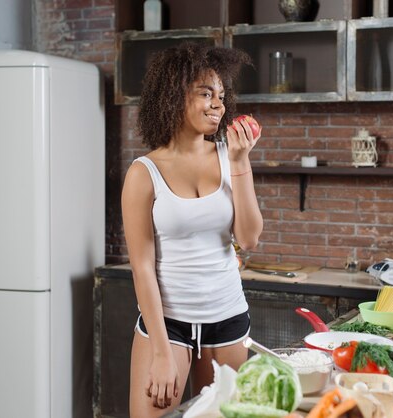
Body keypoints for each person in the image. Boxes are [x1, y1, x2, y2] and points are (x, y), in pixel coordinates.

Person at [121, 42, 263, 417]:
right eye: (205, 93)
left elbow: (248, 238)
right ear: (174, 95)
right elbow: (142, 268)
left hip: (229, 320)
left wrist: (240, 161)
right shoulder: (143, 173)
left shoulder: (228, 155)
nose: (218, 105)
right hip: (167, 327)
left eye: (221, 95)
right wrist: (161, 352)